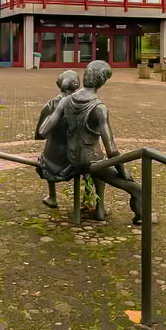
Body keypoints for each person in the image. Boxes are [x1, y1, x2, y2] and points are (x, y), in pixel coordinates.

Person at [38, 60, 143, 225]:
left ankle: (100, 209)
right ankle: (140, 218)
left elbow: (42, 132)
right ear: (102, 81)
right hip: (91, 161)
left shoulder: (66, 101)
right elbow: (112, 150)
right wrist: (123, 172)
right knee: (138, 189)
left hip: (72, 159)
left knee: (100, 167)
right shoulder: (99, 108)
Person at [34, 69, 80, 208]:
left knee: (46, 157)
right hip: (75, 155)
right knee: (90, 164)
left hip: (54, 155)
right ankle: (90, 199)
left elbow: (39, 134)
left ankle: (52, 196)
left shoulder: (50, 105)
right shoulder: (82, 104)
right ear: (77, 85)